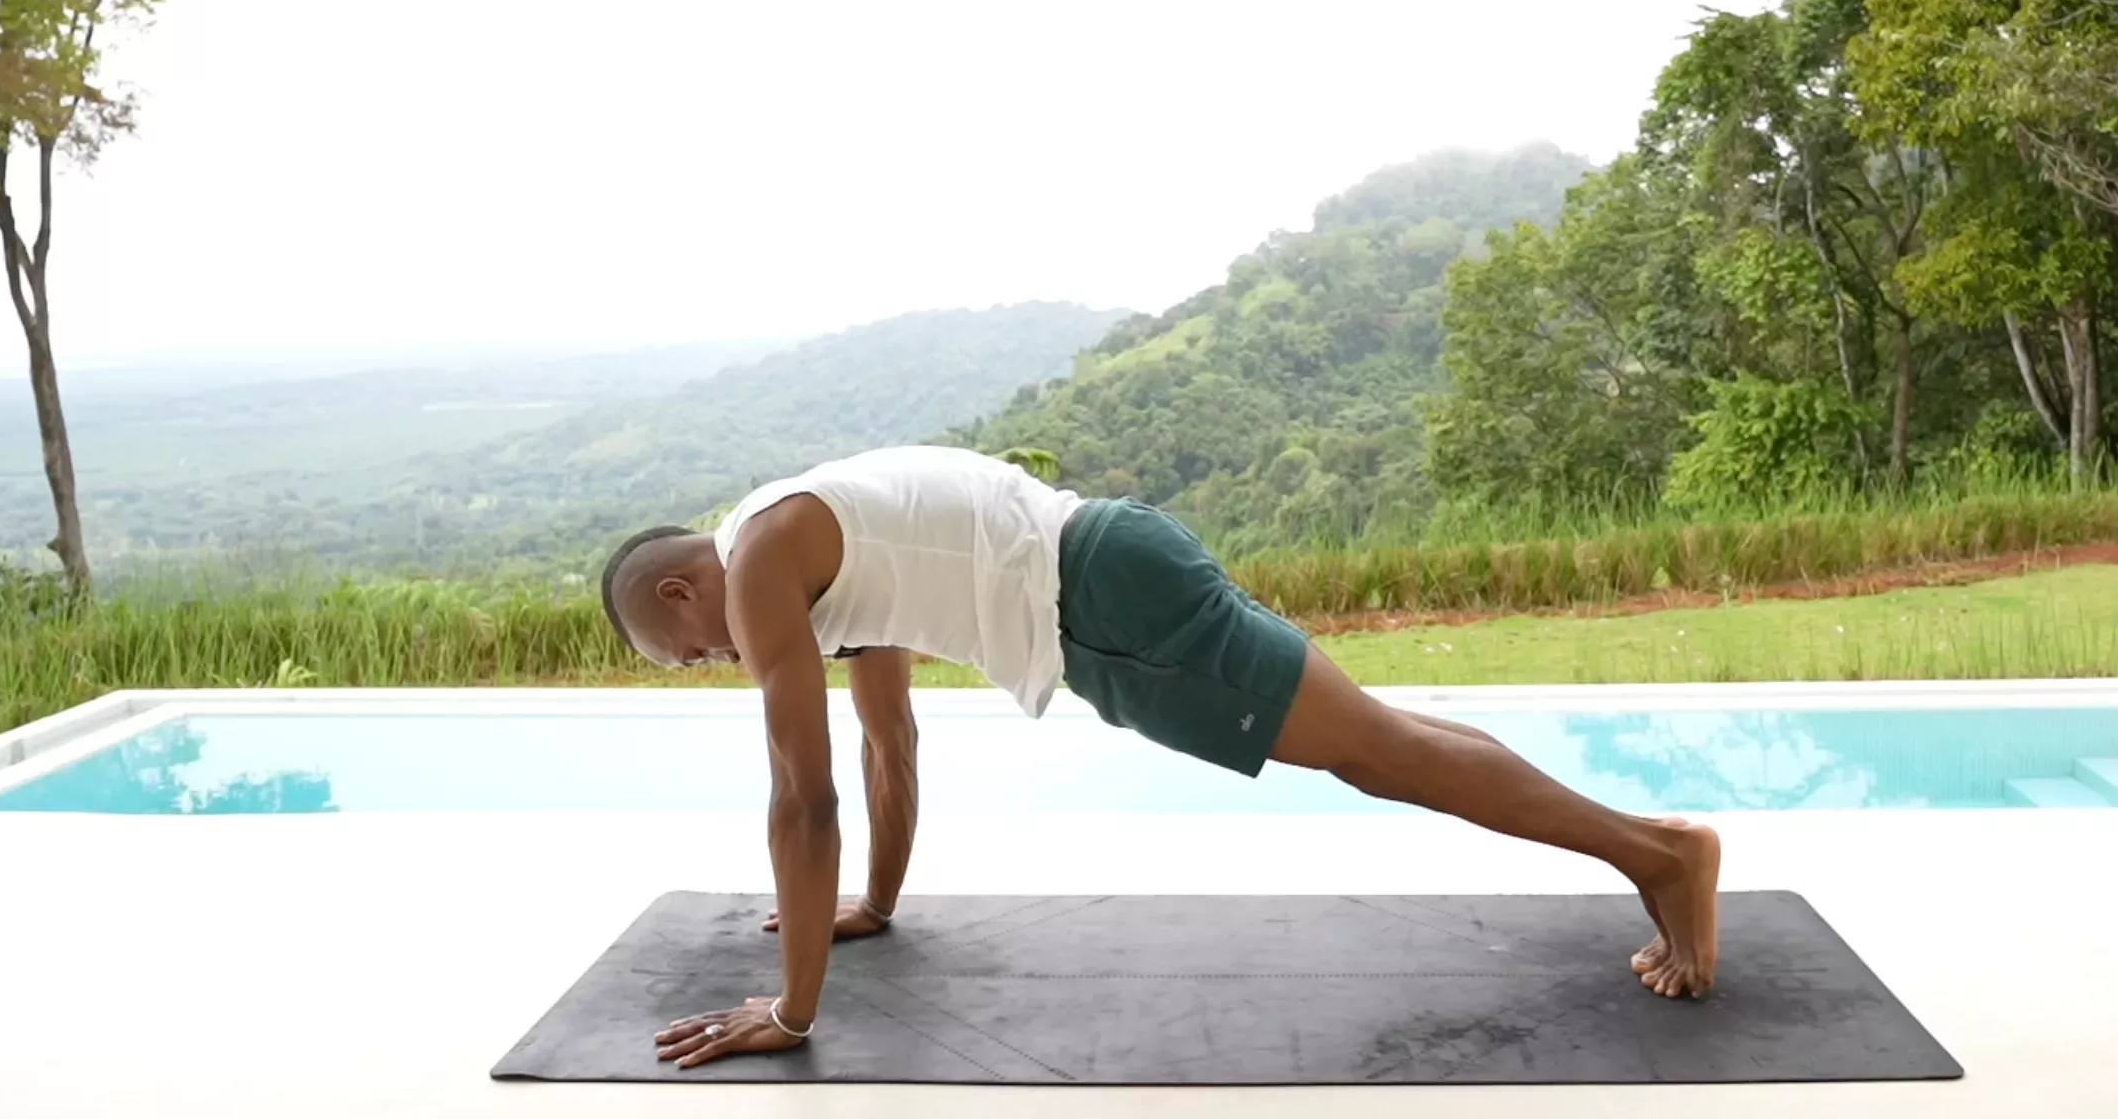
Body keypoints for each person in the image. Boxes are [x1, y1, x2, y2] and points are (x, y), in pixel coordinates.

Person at [598, 443, 1721, 1067]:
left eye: (685, 650)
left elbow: (803, 798)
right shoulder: (798, 537)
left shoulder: (757, 562)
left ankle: (1658, 855)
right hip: (1110, 569)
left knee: (1376, 750)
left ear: (679, 588)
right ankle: (1654, 846)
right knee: (1379, 743)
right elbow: (887, 740)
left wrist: (791, 1014)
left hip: (1105, 605)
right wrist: (872, 905)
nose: (711, 657)